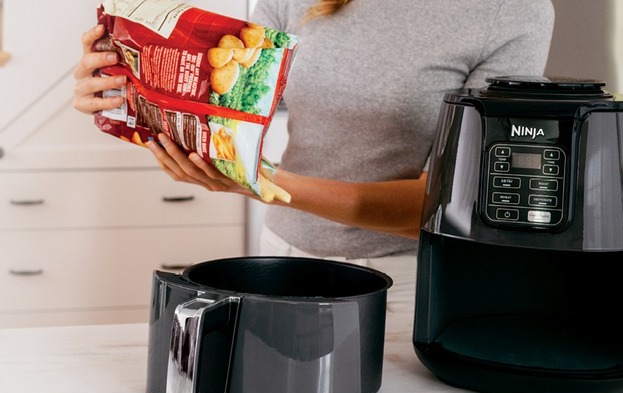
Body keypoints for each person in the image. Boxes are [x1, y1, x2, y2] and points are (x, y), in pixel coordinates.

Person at [72, 0, 555, 310]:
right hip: (282, 257)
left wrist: (271, 187)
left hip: (407, 281)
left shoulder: (511, 11)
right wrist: (124, 88)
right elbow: (233, 100)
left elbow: (457, 205)